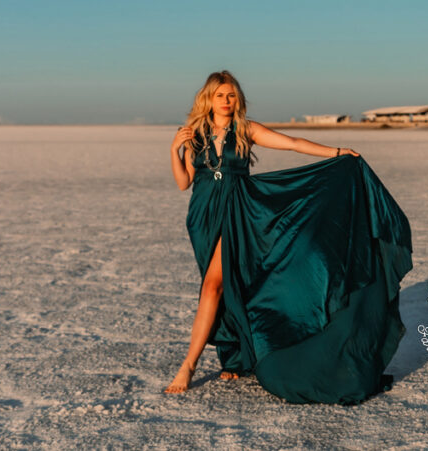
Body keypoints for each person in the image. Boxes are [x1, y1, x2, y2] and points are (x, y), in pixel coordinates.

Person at [163, 70, 413, 404]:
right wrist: (175, 152)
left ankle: (188, 366)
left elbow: (292, 144)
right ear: (207, 98)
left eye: (232, 95)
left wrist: (336, 152)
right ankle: (238, 356)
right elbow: (183, 182)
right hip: (203, 217)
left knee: (214, 285)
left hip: (240, 214)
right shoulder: (195, 134)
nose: (226, 101)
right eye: (220, 95)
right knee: (229, 286)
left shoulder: (246, 129)